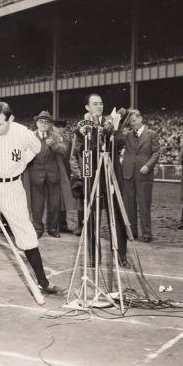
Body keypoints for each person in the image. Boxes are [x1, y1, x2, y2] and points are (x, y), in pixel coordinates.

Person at [0, 101, 65, 301]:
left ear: (10, 119)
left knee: (26, 232)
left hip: (12, 187)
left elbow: (36, 147)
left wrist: (21, 163)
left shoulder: (22, 133)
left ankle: (44, 282)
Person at [70, 93, 129, 267]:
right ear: (87, 107)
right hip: (92, 177)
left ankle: (121, 256)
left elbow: (119, 144)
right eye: (94, 104)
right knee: (92, 218)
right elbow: (83, 153)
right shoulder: (81, 129)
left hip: (112, 176)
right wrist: (97, 136)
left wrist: (113, 130)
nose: (99, 106)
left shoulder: (111, 123)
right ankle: (94, 257)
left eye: (101, 103)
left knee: (117, 217)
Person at [122, 109, 160, 242]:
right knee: (129, 205)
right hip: (128, 174)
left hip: (144, 175)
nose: (132, 124)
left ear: (140, 119)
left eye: (133, 121)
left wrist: (148, 165)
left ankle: (146, 233)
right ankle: (131, 232)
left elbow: (156, 153)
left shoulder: (151, 134)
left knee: (144, 205)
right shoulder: (127, 135)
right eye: (130, 122)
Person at [27, 111, 67, 238]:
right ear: (37, 123)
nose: (43, 124)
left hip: (53, 174)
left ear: (50, 124)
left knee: (54, 203)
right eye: (41, 122)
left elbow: (63, 151)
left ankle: (53, 228)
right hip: (36, 174)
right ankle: (38, 229)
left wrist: (53, 145)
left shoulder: (55, 135)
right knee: (37, 204)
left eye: (46, 122)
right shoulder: (30, 136)